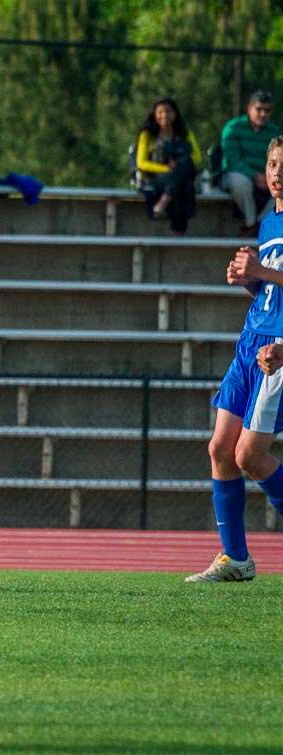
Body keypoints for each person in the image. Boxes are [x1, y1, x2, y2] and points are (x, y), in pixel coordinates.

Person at [196, 135, 283, 583]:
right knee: (219, 449)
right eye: (272, 163)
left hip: (278, 349)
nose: (276, 172)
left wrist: (263, 272)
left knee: (250, 455)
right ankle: (236, 559)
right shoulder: (271, 220)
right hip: (250, 342)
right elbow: (273, 289)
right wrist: (249, 281)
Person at [135, 97, 201, 236]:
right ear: (155, 114)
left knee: (185, 178)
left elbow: (197, 158)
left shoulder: (185, 133)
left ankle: (165, 200)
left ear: (175, 114)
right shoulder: (147, 134)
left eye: (168, 111)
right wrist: (166, 169)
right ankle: (179, 232)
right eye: (160, 112)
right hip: (157, 177)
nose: (164, 115)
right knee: (184, 183)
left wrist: (177, 166)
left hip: (180, 175)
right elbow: (141, 163)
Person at [220, 90, 281, 234]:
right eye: (259, 109)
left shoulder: (275, 132)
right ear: (249, 108)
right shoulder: (232, 128)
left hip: (266, 176)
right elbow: (232, 160)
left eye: (267, 110)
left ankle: (260, 224)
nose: (263, 114)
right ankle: (250, 222)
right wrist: (254, 175)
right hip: (236, 174)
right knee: (241, 183)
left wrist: (267, 176)